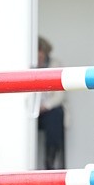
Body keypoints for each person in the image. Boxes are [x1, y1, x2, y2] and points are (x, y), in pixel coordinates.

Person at [36, 37, 66, 168]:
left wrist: (44, 106)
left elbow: (59, 96)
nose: (38, 55)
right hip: (31, 111)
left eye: (40, 51)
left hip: (48, 110)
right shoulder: (26, 65)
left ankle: (50, 161)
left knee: (56, 115)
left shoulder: (55, 65)